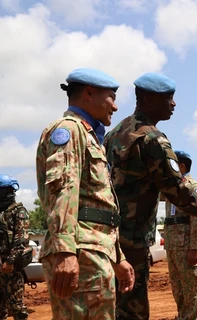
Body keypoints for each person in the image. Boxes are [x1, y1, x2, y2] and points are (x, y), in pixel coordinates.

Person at [103, 72, 197, 319]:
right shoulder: (152, 139)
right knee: (133, 308)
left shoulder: (114, 133)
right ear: (148, 100)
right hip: (133, 239)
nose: (174, 104)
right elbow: (177, 191)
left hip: (110, 238)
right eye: (169, 98)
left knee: (114, 306)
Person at [36, 68, 135, 320]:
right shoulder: (70, 131)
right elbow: (63, 192)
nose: (115, 106)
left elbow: (98, 207)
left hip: (93, 249)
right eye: (111, 97)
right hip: (81, 251)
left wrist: (117, 257)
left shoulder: (91, 136)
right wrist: (65, 251)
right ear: (89, 93)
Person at [164, 150, 197, 320]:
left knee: (191, 288)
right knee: (178, 287)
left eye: (171, 165)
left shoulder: (193, 187)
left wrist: (194, 247)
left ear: (181, 166)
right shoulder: (173, 188)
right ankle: (183, 316)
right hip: (173, 245)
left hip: (187, 245)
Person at [0, 175, 29, 320]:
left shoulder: (19, 211)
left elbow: (21, 240)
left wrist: (10, 261)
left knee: (17, 309)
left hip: (11, 268)